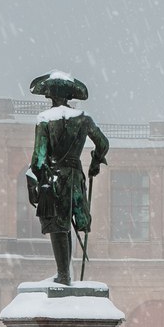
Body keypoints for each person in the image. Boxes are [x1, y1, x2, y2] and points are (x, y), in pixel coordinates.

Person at [27, 72, 109, 285]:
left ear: (51, 96)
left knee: (58, 226)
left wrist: (36, 179)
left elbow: (39, 156)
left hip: (54, 178)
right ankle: (65, 273)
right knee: (68, 223)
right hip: (74, 178)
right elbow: (103, 143)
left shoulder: (45, 120)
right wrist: (95, 162)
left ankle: (63, 274)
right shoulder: (83, 119)